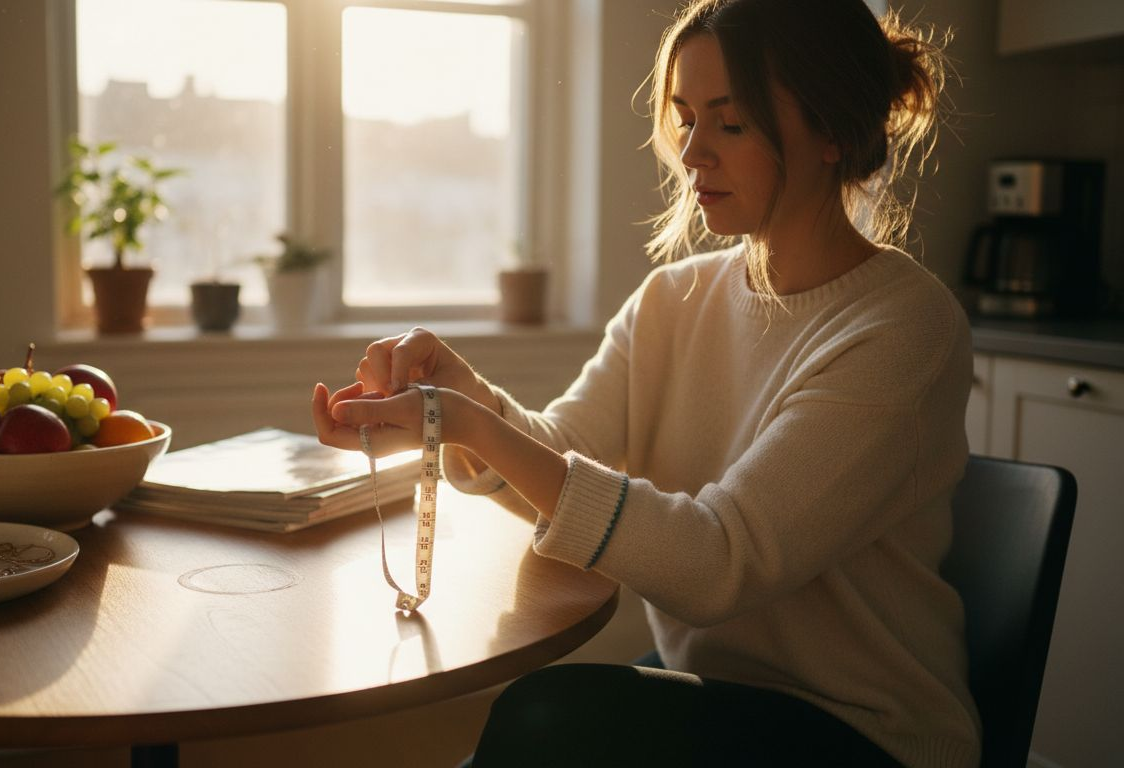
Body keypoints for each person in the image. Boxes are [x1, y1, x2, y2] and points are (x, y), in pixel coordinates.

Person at [312, 0, 976, 764]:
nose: (693, 152)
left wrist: (475, 427)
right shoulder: (674, 300)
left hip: (860, 733)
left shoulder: (903, 328)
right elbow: (564, 449)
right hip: (718, 690)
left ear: (832, 132)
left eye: (730, 123)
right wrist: (461, 399)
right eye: (686, 117)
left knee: (542, 723)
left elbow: (720, 560)